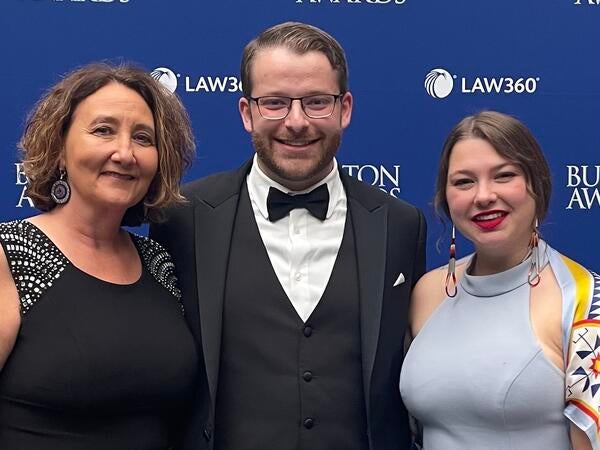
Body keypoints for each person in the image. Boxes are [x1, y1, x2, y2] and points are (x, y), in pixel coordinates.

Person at [150, 21, 426, 450]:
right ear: (247, 113)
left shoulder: (401, 225)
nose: (296, 122)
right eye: (275, 103)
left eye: (317, 102)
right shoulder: (182, 217)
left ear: (345, 109)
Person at [0, 62, 198, 449]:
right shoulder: (11, 255)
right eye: (103, 131)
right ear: (59, 150)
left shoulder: (159, 263)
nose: (124, 153)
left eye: (143, 138)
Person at [400, 111, 598, 450]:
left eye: (504, 176)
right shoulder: (427, 292)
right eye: (464, 181)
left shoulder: (584, 300)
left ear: (537, 184)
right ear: (446, 197)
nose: (484, 195)